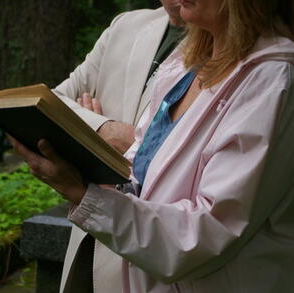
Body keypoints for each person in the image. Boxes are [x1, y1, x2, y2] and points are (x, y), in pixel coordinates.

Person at [11, 0, 294, 292]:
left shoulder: (275, 83)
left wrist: (85, 196)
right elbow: (144, 178)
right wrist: (83, 163)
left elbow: (206, 236)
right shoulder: (190, 62)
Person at [51, 2, 186, 292]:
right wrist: (103, 127)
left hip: (157, 252)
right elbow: (53, 101)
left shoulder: (230, 45)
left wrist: (84, 125)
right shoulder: (126, 26)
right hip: (88, 234)